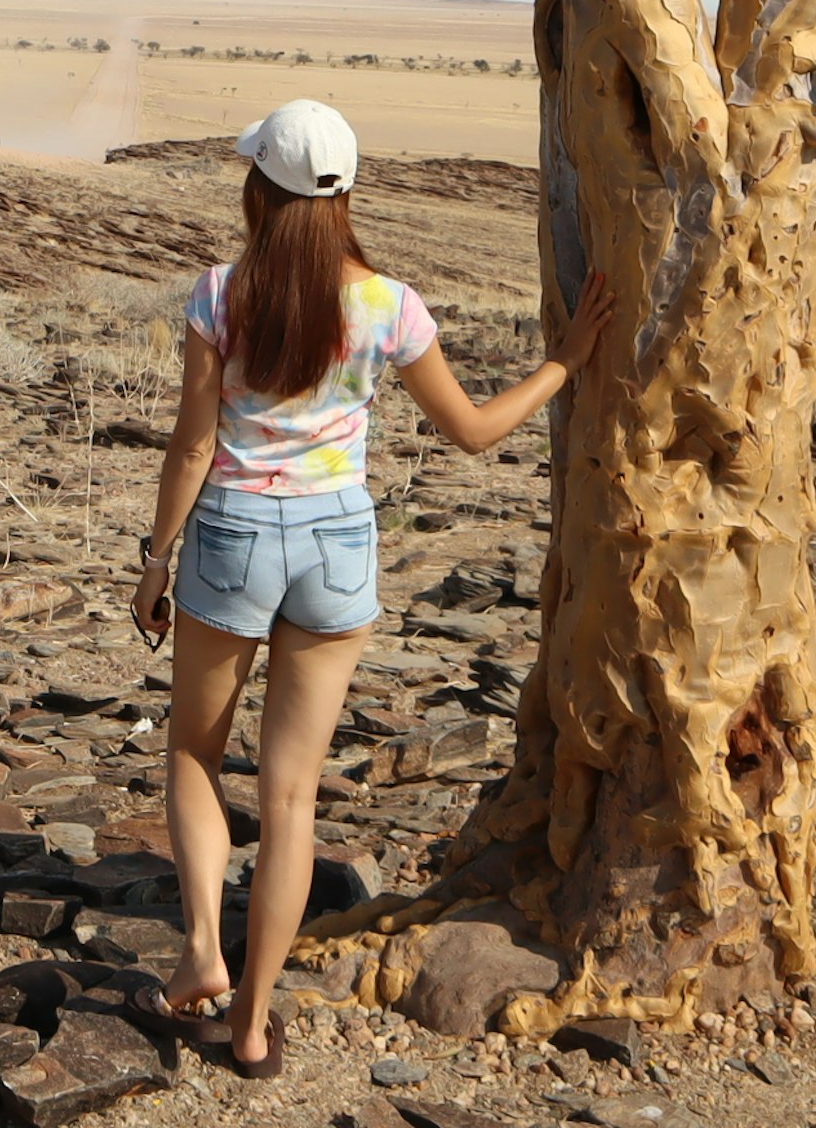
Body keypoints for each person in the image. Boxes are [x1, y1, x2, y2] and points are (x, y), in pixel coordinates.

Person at [126, 99, 607, 1079]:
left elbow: (191, 443)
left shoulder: (220, 295)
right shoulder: (389, 306)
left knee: (191, 751)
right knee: (292, 796)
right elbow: (472, 431)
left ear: (260, 186)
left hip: (231, 537)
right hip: (338, 545)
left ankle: (204, 949)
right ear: (346, 196)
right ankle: (254, 1023)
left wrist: (156, 555)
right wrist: (564, 362)